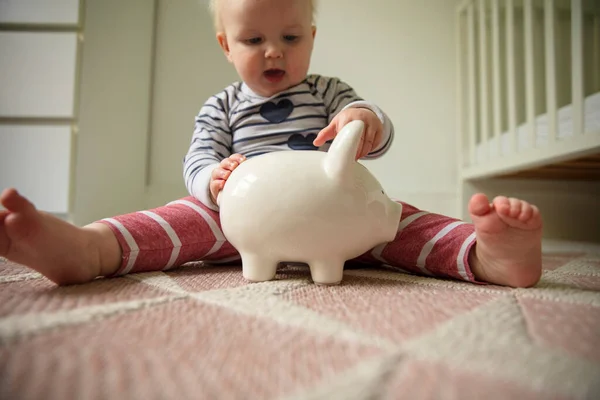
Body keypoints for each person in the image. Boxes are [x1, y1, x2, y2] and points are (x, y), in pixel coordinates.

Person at [0, 0, 543, 288]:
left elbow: (371, 134)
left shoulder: (331, 92)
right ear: (225, 45)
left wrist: (364, 118)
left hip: (338, 216)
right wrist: (210, 181)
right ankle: (87, 250)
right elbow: (197, 157)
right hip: (234, 218)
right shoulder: (222, 106)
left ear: (311, 36)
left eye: (290, 37)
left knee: (400, 222)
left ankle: (486, 257)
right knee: (166, 222)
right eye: (253, 40)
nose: (273, 52)